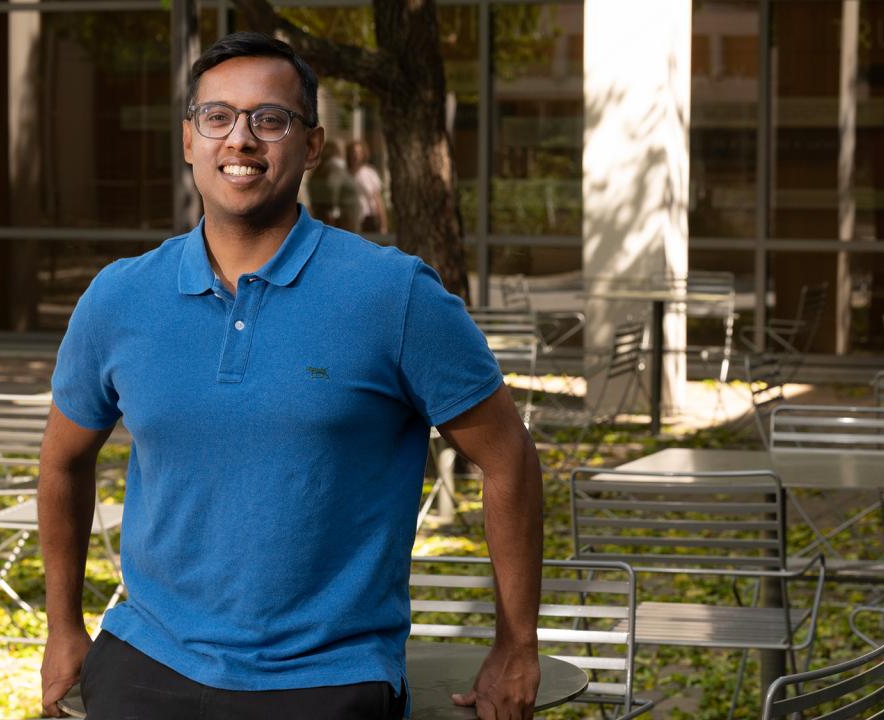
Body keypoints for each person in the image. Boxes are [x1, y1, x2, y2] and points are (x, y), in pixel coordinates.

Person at [38, 31, 544, 720]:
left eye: (269, 119)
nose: (240, 140)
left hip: (328, 677)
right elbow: (63, 462)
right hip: (148, 661)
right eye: (218, 117)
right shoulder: (118, 298)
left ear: (313, 145)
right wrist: (63, 627)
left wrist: (516, 645)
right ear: (190, 139)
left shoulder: (394, 295)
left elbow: (508, 457)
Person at [306, 138, 363, 232]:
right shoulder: (334, 166)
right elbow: (332, 186)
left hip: (339, 217)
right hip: (345, 218)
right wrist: (333, 210)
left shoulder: (323, 169)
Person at [347, 139, 389, 234]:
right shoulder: (345, 174)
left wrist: (383, 225)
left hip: (367, 220)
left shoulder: (370, 173)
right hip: (349, 219)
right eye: (353, 152)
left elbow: (378, 199)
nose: (356, 155)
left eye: (359, 152)